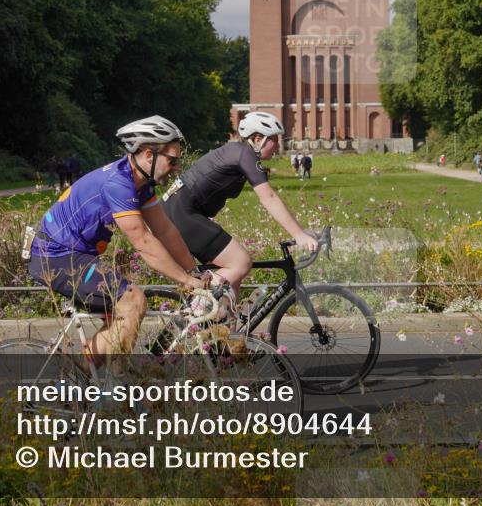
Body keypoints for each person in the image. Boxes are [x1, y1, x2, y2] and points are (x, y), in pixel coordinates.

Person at [27, 115, 208, 369]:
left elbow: (165, 230)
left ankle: (82, 379)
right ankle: (115, 385)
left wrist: (193, 272)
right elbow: (143, 240)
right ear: (148, 155)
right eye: (172, 160)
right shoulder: (119, 184)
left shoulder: (140, 184)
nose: (177, 167)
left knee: (121, 317)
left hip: (74, 254)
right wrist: (186, 281)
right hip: (55, 256)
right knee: (133, 301)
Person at [160, 111, 317, 298]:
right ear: (257, 139)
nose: (277, 145)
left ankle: (224, 316)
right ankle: (196, 308)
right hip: (182, 214)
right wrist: (298, 235)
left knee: (232, 280)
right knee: (240, 263)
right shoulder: (245, 155)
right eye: (274, 139)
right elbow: (269, 198)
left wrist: (300, 231)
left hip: (176, 210)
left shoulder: (238, 151)